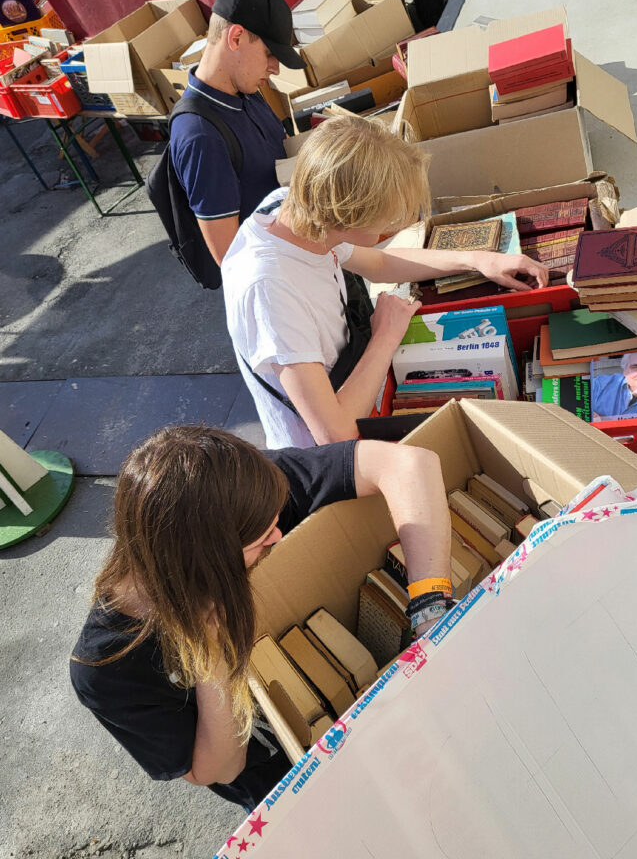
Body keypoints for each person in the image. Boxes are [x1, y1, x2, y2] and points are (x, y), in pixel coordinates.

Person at [70, 426, 453, 812]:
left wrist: (430, 612)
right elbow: (220, 769)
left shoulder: (235, 491)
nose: (278, 536)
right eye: (260, 540)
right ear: (207, 565)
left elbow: (411, 462)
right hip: (291, 786)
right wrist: (211, 657)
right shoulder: (107, 668)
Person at [222, 114, 548, 449]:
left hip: (358, 377)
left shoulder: (296, 209)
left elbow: (379, 264)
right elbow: (334, 433)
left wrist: (477, 259)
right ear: (349, 215)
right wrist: (387, 336)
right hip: (325, 455)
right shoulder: (270, 289)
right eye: (388, 219)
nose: (391, 229)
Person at [170, 0, 306, 267]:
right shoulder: (200, 136)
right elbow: (231, 260)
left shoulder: (246, 90)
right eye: (270, 54)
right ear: (236, 38)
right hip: (285, 282)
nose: (275, 68)